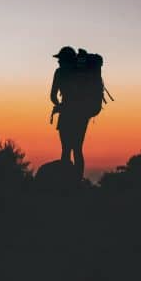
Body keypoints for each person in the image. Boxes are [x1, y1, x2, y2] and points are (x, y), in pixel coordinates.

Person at [50, 46, 90, 181]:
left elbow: (53, 96)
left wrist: (60, 105)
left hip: (66, 114)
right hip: (81, 115)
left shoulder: (59, 73)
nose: (58, 62)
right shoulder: (80, 72)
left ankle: (65, 181)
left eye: (60, 59)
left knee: (66, 149)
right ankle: (77, 180)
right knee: (77, 149)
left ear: (65, 60)